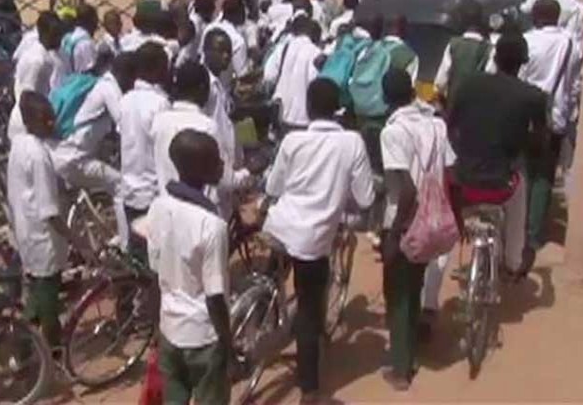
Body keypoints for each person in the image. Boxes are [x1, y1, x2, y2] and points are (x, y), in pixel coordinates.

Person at [262, 77, 375, 402]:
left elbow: (273, 188)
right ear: (338, 109)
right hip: (313, 240)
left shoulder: (293, 140)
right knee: (310, 313)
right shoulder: (351, 143)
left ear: (309, 109)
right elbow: (365, 198)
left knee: (274, 275)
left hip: (279, 226)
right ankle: (309, 389)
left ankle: (256, 320)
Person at [378, 68, 455, 391]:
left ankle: (400, 369)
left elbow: (406, 189)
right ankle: (409, 351)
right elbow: (450, 169)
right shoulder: (437, 124)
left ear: (385, 98)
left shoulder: (393, 132)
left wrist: (394, 234)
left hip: (405, 219)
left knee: (397, 294)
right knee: (415, 286)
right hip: (432, 219)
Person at [449, 32, 548, 280]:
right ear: (523, 62)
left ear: (495, 56)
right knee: (521, 187)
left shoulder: (469, 84)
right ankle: (513, 261)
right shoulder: (533, 96)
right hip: (501, 183)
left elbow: (450, 124)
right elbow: (540, 142)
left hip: (463, 180)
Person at [147, 129, 232, 405]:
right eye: (215, 161)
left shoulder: (158, 208)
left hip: (170, 330)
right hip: (203, 337)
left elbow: (155, 274)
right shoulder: (212, 226)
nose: (222, 165)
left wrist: (156, 328)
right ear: (201, 169)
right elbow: (215, 296)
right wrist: (228, 343)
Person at [8, 91, 88, 348]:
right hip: (43, 239)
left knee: (36, 295)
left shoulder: (19, 144)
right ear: (31, 121)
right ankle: (50, 352)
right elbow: (50, 212)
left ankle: (24, 347)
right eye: (46, 120)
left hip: (25, 231)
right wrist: (78, 242)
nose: (52, 124)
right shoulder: (39, 155)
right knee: (48, 303)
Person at [519, 0, 582, 260]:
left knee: (522, 173)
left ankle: (517, 229)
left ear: (535, 16)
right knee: (545, 175)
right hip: (555, 117)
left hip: (524, 117)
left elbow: (518, 77)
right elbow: (576, 83)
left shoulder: (527, 41)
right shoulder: (572, 44)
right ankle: (534, 234)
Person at [52, 52, 137, 245]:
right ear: (125, 74)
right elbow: (123, 125)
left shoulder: (99, 84)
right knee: (120, 186)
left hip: (61, 152)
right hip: (74, 158)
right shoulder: (109, 89)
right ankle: (127, 244)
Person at [152, 61, 250, 221]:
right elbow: (223, 180)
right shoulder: (207, 126)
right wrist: (246, 175)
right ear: (202, 89)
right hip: (203, 215)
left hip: (167, 211)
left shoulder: (159, 121)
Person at [118, 42, 170, 259]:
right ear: (157, 69)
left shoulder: (125, 100)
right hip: (152, 194)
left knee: (138, 260)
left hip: (130, 190)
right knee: (157, 262)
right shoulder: (160, 104)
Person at [8, 12, 64, 139]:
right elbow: (27, 97)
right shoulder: (38, 61)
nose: (59, 39)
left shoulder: (39, 52)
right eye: (55, 35)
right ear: (44, 33)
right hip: (28, 122)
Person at [433, 0, 493, 108]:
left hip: (454, 106)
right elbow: (490, 76)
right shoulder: (489, 48)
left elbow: (440, 82)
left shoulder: (453, 45)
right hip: (477, 107)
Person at [272, 15, 322, 133]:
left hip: (282, 114)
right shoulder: (315, 52)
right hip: (304, 119)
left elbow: (270, 75)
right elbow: (314, 82)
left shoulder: (283, 48)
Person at [202, 29, 239, 166]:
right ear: (206, 51)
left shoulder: (219, 83)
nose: (225, 56)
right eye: (220, 51)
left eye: (229, 52)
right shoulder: (206, 86)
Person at [201, 0, 248, 80]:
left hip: (203, 82)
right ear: (238, 14)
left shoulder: (209, 28)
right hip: (223, 89)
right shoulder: (237, 40)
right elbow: (242, 75)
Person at [60, 3, 98, 75]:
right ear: (89, 21)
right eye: (95, 20)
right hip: (81, 83)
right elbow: (90, 71)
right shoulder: (86, 43)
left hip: (66, 82)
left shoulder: (66, 38)